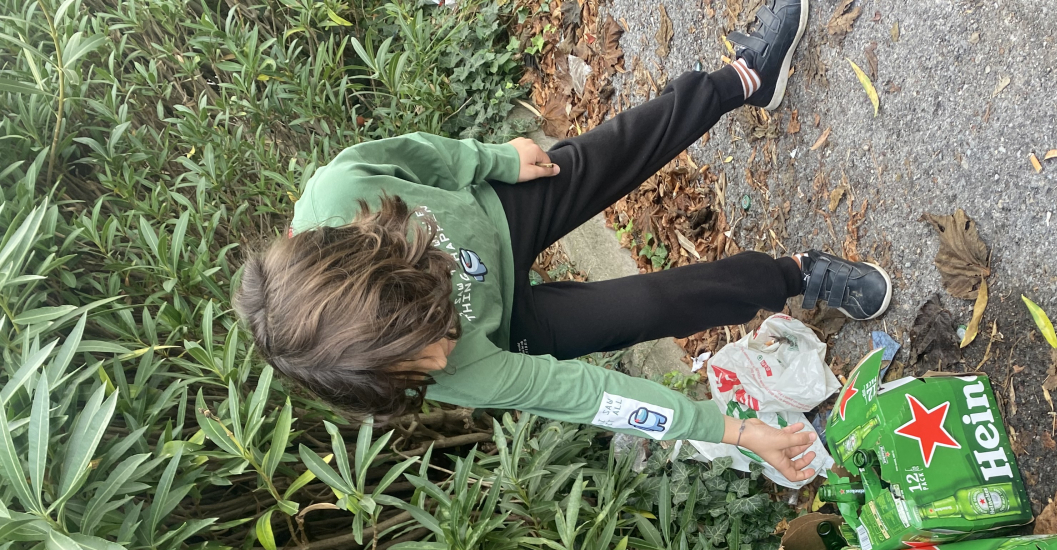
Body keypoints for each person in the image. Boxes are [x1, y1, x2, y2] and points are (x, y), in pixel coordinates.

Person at [233, 0, 891, 484]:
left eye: (429, 337)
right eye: (416, 373)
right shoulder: (440, 367)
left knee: (613, 151)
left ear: (393, 261)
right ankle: (795, 275)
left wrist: (492, 159)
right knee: (651, 308)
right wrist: (739, 432)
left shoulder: (343, 189)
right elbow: (592, 397)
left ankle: (745, 78)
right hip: (510, 327)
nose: (440, 360)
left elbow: (422, 157)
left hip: (487, 213)